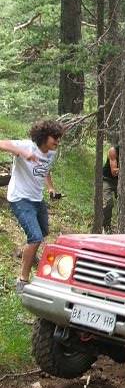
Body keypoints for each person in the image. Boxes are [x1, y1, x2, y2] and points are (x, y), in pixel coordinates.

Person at [0, 119, 64, 293]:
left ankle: (25, 252)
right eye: (55, 138)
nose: (57, 141)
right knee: (35, 238)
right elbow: (2, 143)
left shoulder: (51, 153)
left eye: (59, 138)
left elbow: (46, 169)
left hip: (37, 198)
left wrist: (50, 188)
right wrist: (21, 152)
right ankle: (22, 279)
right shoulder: (27, 146)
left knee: (43, 232)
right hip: (20, 198)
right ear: (44, 136)